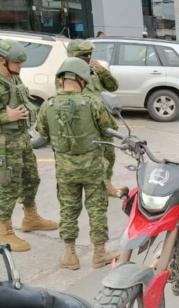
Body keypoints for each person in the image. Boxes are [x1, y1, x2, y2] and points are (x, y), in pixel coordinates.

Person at [36, 57, 118, 270]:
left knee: (68, 209)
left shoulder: (48, 105)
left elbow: (42, 133)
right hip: (92, 168)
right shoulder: (92, 103)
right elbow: (110, 129)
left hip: (65, 169)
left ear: (61, 79)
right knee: (97, 209)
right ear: (82, 80)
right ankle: (99, 254)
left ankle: (70, 255)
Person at [0, 39, 58, 252]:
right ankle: (4, 231)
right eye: (17, 63)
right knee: (8, 187)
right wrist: (7, 116)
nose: (21, 67)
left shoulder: (13, 77)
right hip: (4, 144)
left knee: (31, 179)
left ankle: (31, 217)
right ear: (2, 61)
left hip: (21, 139)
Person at [66, 39, 127, 198]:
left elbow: (113, 86)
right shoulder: (67, 73)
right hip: (85, 122)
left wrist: (102, 70)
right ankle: (92, 190)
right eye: (84, 55)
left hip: (102, 120)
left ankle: (107, 185)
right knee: (91, 159)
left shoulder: (93, 70)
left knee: (109, 154)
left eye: (89, 54)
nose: (88, 57)